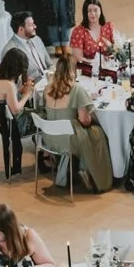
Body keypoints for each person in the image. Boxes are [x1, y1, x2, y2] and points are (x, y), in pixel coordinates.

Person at [40, 51, 114, 192]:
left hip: (49, 137)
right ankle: (95, 176)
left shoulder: (47, 87)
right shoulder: (76, 89)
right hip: (67, 138)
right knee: (98, 134)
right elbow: (84, 120)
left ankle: (74, 168)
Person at [0, 46, 32, 178]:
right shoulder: (8, 84)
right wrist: (27, 94)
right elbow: (15, 108)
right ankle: (46, 156)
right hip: (14, 123)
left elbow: (8, 98)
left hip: (4, 119)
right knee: (43, 117)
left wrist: (21, 91)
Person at [69, 0, 118, 69]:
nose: (93, 14)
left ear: (100, 11)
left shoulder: (109, 27)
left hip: (109, 68)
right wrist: (96, 62)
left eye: (96, 10)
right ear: (85, 13)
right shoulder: (78, 32)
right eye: (89, 11)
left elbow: (117, 50)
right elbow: (78, 58)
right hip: (88, 70)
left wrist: (110, 59)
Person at [2, 10, 52, 82]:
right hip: (31, 88)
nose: (35, 26)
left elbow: (50, 65)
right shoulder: (10, 50)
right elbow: (11, 81)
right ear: (21, 29)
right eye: (31, 25)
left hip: (48, 82)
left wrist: (50, 76)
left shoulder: (37, 39)